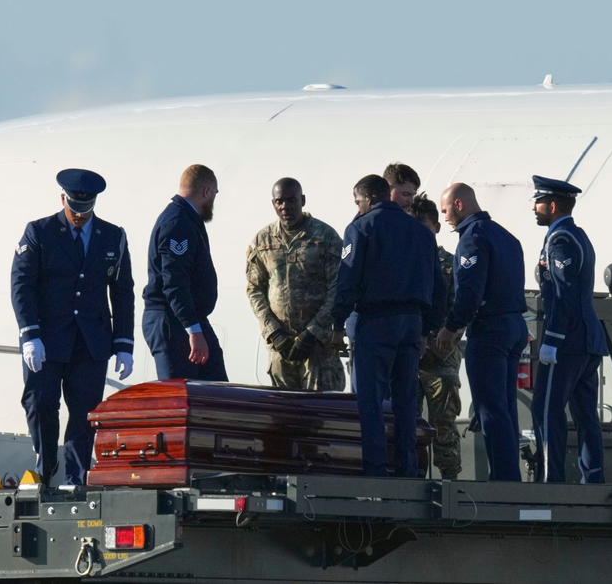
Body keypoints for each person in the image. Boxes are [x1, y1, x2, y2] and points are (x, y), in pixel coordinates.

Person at [10, 169, 135, 486]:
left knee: (85, 413)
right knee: (41, 403)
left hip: (90, 342)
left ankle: (75, 478)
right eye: (74, 209)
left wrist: (123, 343)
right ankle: (46, 467)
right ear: (62, 199)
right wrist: (30, 334)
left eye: (86, 210)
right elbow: (22, 285)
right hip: (47, 339)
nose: (79, 216)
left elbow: (121, 292)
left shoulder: (113, 237)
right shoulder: (40, 232)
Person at [332, 174, 441, 477]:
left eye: (358, 202)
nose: (358, 208)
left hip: (375, 323)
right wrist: (426, 329)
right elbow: (438, 287)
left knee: (371, 402)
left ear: (367, 198)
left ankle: (375, 472)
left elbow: (348, 279)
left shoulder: (360, 228)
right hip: (411, 323)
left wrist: (337, 321)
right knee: (406, 401)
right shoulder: (422, 233)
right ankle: (407, 471)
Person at [433, 183, 527, 482]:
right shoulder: (507, 237)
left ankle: (503, 483)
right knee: (506, 408)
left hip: (489, 332)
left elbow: (469, 293)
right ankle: (510, 476)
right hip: (514, 327)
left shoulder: (472, 239)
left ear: (459, 205)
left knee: (490, 410)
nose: (444, 217)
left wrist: (450, 328)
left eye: (445, 210)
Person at [529, 175, 607, 484]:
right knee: (586, 416)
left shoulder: (560, 240)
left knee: (546, 410)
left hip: (568, 342)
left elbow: (564, 294)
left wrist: (552, 341)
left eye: (537, 203)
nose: (533, 208)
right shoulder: (578, 235)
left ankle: (552, 482)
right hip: (586, 340)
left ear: (551, 205)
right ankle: (593, 480)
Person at [246, 178, 345, 391]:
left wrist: (312, 333)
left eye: (291, 200)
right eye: (279, 201)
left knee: (320, 413)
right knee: (285, 417)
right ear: (273, 203)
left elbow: (337, 288)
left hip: (318, 350)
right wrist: (273, 331)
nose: (285, 207)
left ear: (303, 200)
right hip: (281, 349)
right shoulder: (263, 240)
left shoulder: (325, 237)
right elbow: (254, 289)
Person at [142, 164, 228, 381]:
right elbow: (174, 282)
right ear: (206, 191)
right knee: (180, 396)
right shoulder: (178, 223)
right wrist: (193, 330)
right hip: (173, 321)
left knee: (215, 390)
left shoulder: (187, 220)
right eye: (214, 195)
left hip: (189, 317)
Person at [408, 194, 464, 480]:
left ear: (436, 227)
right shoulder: (403, 262)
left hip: (440, 358)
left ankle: (449, 482)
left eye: (423, 225)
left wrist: (434, 344)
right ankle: (414, 479)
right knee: (410, 425)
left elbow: (459, 309)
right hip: (409, 359)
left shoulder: (450, 264)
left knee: (443, 425)